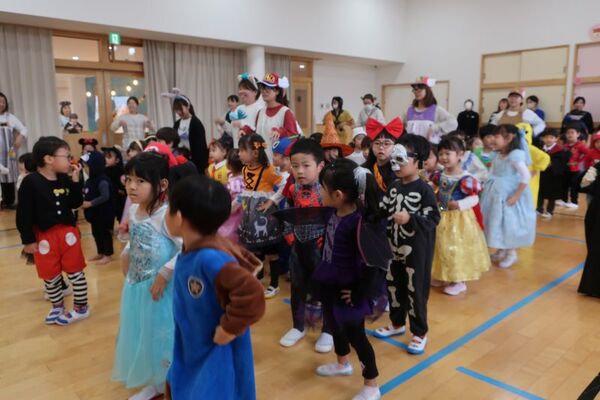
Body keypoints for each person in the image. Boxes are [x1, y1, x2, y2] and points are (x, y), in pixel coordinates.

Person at [165, 175, 265, 400]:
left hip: (215, 347)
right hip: (194, 339)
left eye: (168, 208)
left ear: (178, 217)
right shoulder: (193, 250)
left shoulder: (209, 258)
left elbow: (252, 293)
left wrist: (229, 329)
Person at [312, 158, 383, 400]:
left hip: (350, 290)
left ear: (338, 195)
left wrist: (359, 293)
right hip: (330, 281)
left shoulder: (359, 224)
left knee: (357, 336)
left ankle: (372, 384)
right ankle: (342, 363)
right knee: (334, 324)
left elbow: (372, 264)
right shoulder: (333, 214)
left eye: (322, 189)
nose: (319, 192)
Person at [112, 152, 181, 400]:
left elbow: (186, 247)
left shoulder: (168, 215)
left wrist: (165, 272)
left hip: (160, 290)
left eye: (140, 181)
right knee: (142, 332)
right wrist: (127, 252)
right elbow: (136, 239)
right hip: (137, 285)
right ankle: (155, 381)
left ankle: (167, 381)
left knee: (161, 334)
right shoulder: (134, 210)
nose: (132, 186)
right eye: (129, 179)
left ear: (162, 184)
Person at [375, 135, 440, 355]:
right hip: (393, 247)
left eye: (401, 159)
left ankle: (420, 332)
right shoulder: (393, 186)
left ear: (418, 161)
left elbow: (433, 218)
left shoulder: (425, 189)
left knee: (416, 290)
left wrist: (411, 218)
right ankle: (397, 323)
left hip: (417, 250)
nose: (396, 165)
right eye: (393, 159)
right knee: (394, 286)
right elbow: (382, 210)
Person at [16, 136, 89, 325]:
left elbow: (75, 203)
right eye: (66, 156)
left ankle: (81, 307)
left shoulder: (64, 179)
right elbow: (24, 213)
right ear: (49, 159)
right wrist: (28, 240)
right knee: (50, 275)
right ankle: (57, 305)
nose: (70, 160)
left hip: (68, 234)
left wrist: (75, 182)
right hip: (44, 236)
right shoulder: (30, 182)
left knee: (76, 272)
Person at [275, 139, 334, 353]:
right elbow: (289, 213)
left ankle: (329, 330)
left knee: (326, 288)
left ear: (320, 166)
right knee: (298, 287)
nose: (300, 171)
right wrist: (290, 236)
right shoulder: (293, 189)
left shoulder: (327, 190)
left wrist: (329, 243)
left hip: (323, 247)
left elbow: (336, 218)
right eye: (295, 165)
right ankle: (298, 326)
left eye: (306, 165)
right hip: (298, 246)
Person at [431, 136, 490, 295]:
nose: (444, 157)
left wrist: (459, 204)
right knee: (440, 246)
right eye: (441, 154)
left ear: (460, 155)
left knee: (455, 248)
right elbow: (438, 192)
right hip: (442, 213)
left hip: (459, 218)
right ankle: (443, 275)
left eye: (448, 153)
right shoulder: (440, 175)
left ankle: (459, 280)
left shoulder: (466, 179)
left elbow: (474, 198)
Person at [480, 124, 536, 269]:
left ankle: (511, 253)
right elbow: (491, 172)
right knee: (497, 221)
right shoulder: (497, 154)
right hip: (495, 193)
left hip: (508, 194)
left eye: (496, 136)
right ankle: (501, 249)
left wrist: (516, 196)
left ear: (509, 138)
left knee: (508, 223)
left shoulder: (515, 155)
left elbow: (525, 176)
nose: (492, 139)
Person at [237, 134, 284, 297]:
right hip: (250, 214)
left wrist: (272, 200)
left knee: (271, 251)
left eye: (242, 150)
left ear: (255, 153)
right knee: (255, 249)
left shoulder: (268, 170)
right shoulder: (245, 169)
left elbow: (284, 185)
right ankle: (257, 278)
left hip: (266, 215)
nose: (239, 153)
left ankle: (274, 285)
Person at [243, 73, 298, 161]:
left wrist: (281, 132)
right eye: (262, 88)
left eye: (268, 88)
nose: (264, 91)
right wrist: (247, 130)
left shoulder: (285, 112)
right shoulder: (260, 112)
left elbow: (294, 137)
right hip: (260, 161)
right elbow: (259, 135)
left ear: (277, 91)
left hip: (277, 163)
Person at [80, 151, 115, 265]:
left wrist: (90, 203)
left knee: (105, 234)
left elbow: (105, 196)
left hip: (103, 214)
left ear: (95, 166)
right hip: (95, 216)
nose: (84, 169)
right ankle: (101, 252)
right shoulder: (90, 180)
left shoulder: (102, 180)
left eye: (86, 167)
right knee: (96, 234)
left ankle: (108, 255)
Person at [405, 77, 457, 144]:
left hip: (430, 147)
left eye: (420, 89)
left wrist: (434, 128)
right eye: (415, 89)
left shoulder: (436, 110)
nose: (416, 92)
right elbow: (400, 126)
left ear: (428, 90)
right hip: (411, 148)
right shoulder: (409, 110)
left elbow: (453, 122)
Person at [221, 73, 265, 148]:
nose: (241, 91)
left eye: (245, 88)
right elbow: (233, 132)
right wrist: (223, 123)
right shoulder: (238, 108)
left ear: (255, 92)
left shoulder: (260, 109)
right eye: (240, 89)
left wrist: (241, 124)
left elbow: (259, 132)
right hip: (237, 148)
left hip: (251, 149)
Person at [364, 117, 404, 197]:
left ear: (395, 146)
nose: (381, 147)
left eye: (386, 144)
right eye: (377, 143)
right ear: (371, 145)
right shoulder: (364, 170)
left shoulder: (401, 171)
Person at [0, 92, 27, 209]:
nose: (1, 104)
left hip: (9, 152)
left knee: (9, 176)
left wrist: (19, 138)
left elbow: (24, 130)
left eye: (3, 102)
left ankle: (9, 202)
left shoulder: (10, 117)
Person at [578, 161, 600, 298]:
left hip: (597, 210)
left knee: (595, 247)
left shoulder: (598, 166)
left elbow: (584, 183)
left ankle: (592, 286)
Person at [537, 129, 570, 219]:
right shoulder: (540, 149)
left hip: (553, 175)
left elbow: (561, 163)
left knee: (552, 194)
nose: (548, 139)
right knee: (540, 192)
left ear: (556, 139)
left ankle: (549, 211)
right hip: (542, 174)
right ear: (543, 138)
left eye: (551, 137)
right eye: (546, 137)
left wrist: (551, 163)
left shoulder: (560, 151)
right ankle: (539, 209)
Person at [516, 122, 550, 207]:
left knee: (527, 199)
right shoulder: (513, 148)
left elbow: (545, 158)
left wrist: (535, 170)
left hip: (529, 180)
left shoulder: (531, 149)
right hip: (517, 179)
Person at [172, 94, 209, 172]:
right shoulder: (177, 123)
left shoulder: (196, 123)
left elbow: (201, 146)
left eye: (180, 109)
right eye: (176, 110)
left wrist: (203, 165)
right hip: (180, 159)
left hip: (194, 161)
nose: (179, 112)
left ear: (188, 106)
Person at [559, 123, 590, 210]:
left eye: (572, 132)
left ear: (578, 134)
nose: (570, 135)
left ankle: (574, 202)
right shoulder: (565, 146)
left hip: (575, 170)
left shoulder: (580, 145)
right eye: (568, 133)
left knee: (574, 186)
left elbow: (588, 154)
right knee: (564, 185)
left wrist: (579, 161)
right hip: (565, 169)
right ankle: (564, 200)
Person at [218, 149, 245, 244]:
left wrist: (227, 210)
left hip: (235, 217)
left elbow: (239, 199)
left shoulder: (235, 183)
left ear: (229, 165)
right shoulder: (246, 178)